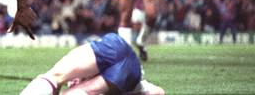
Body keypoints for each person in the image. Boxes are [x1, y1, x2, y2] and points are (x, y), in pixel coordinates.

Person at [20, 33, 165, 95]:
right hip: (125, 63)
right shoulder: (135, 84)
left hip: (117, 53)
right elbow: (159, 92)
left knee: (54, 77)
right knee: (60, 82)